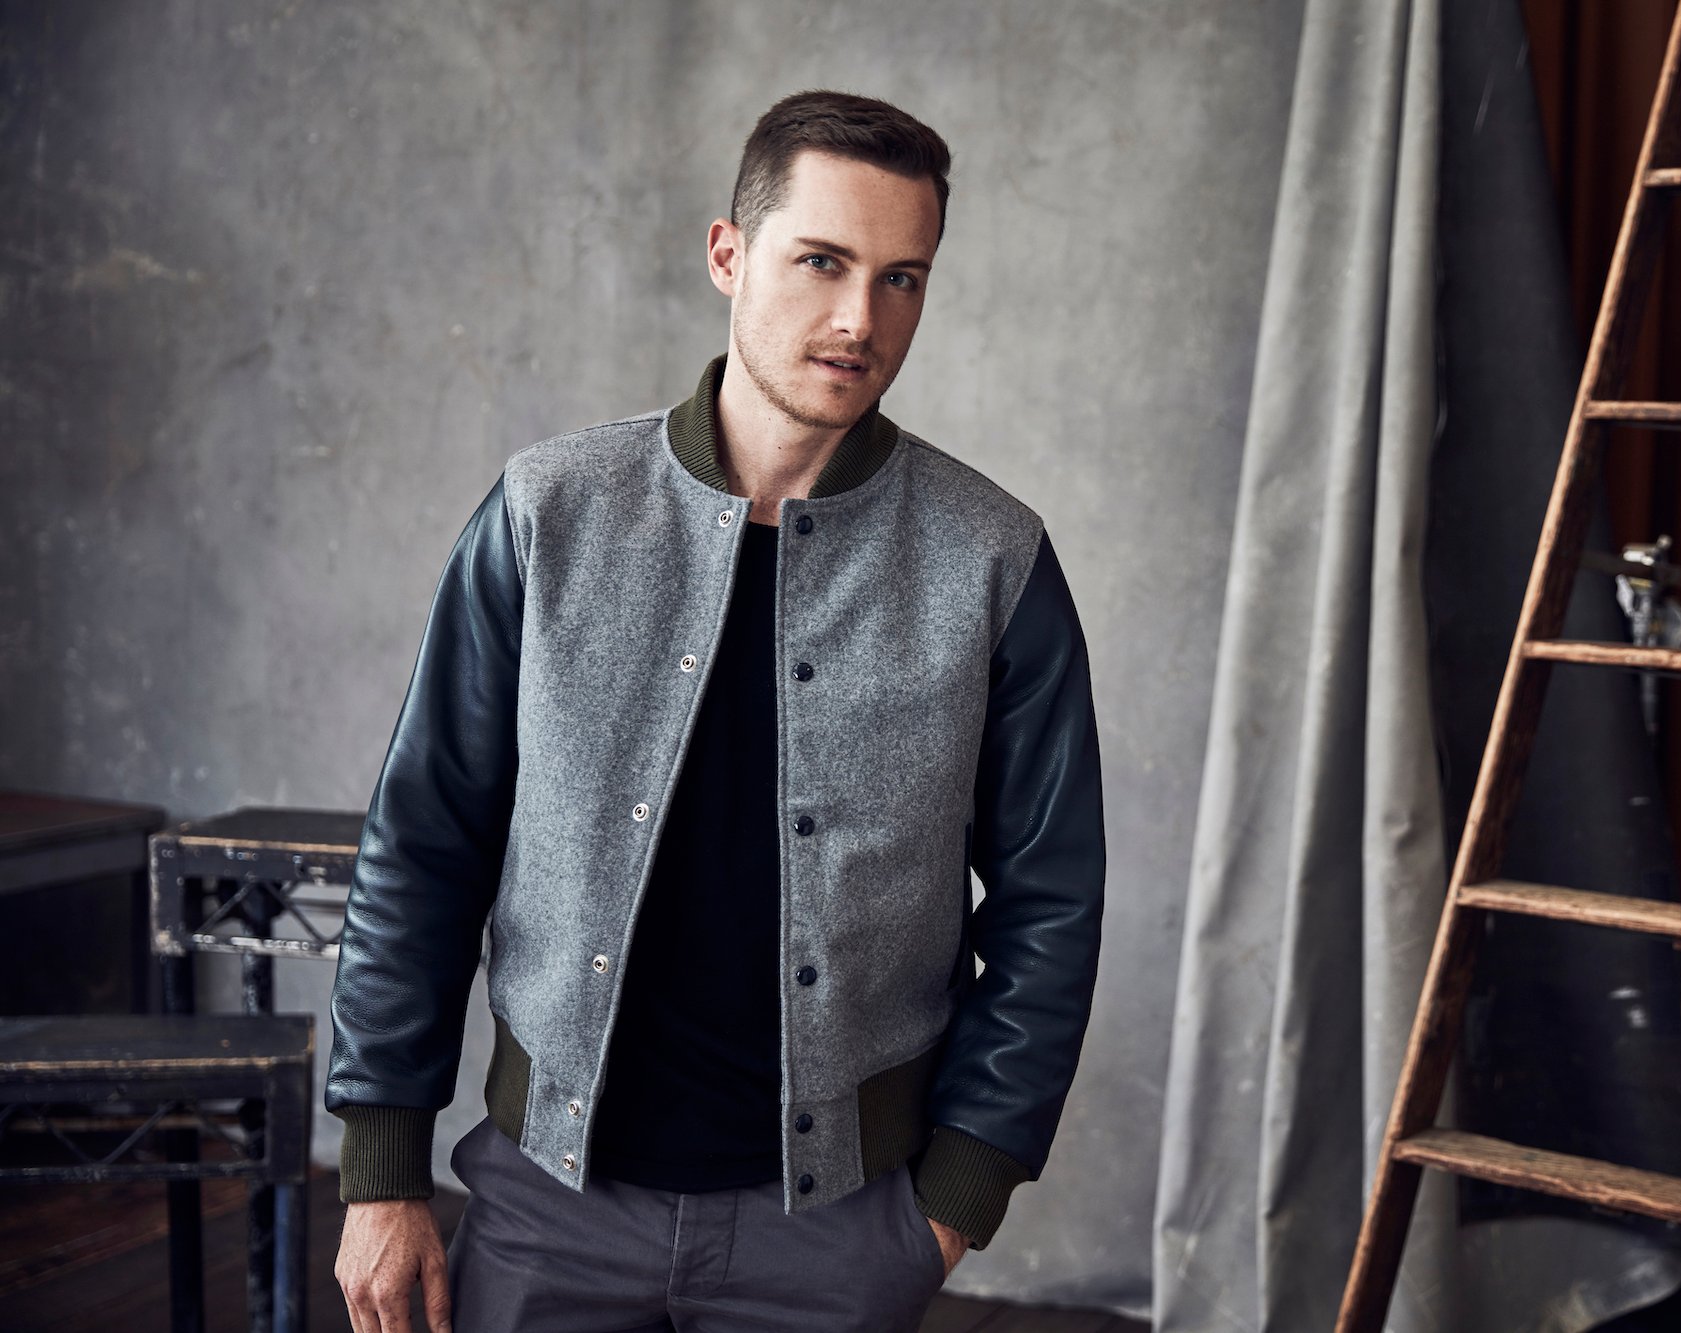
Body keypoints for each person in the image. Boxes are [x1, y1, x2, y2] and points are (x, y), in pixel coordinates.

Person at [324, 89, 1106, 1333]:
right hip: (547, 1203)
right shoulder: (546, 514)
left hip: (842, 1229)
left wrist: (957, 1196)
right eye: (821, 262)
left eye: (902, 277)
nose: (861, 318)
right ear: (726, 255)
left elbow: (1050, 903)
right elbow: (424, 841)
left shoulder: (991, 560)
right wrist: (380, 1167)